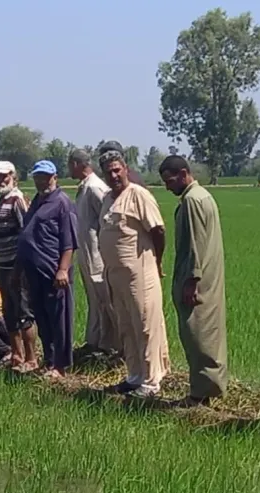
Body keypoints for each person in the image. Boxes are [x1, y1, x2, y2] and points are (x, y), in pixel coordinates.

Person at [98, 150, 170, 397]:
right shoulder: (108, 198)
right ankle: (134, 375)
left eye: (117, 170)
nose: (114, 175)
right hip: (116, 275)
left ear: (126, 169)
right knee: (126, 325)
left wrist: (157, 261)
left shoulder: (139, 195)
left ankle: (151, 381)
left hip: (140, 272)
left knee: (145, 323)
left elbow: (158, 231)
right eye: (109, 172)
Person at [159, 156, 228, 407]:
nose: (167, 186)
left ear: (184, 173)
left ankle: (201, 394)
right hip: (208, 278)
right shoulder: (203, 196)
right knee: (206, 333)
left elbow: (196, 245)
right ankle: (207, 389)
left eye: (169, 180)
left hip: (198, 281)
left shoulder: (192, 201)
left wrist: (191, 280)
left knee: (197, 334)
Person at [16, 160, 78, 379]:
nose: (41, 180)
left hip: (54, 272)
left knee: (59, 320)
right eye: (37, 176)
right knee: (42, 318)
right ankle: (49, 361)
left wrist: (63, 269)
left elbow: (69, 242)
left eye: (45, 176)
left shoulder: (62, 202)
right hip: (34, 272)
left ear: (55, 177)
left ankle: (60, 366)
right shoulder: (37, 201)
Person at [0, 161, 38, 371]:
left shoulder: (17, 200)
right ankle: (16, 356)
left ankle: (31, 358)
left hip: (16, 268)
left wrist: (19, 267)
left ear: (13, 176)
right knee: (9, 312)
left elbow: (25, 234)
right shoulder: (1, 201)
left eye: (3, 177)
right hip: (2, 266)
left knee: (24, 313)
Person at [69, 148, 117, 359]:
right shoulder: (84, 187)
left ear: (78, 164)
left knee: (105, 299)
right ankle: (95, 342)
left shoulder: (95, 187)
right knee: (94, 300)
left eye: (70, 164)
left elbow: (108, 216)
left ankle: (114, 346)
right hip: (87, 254)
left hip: (97, 255)